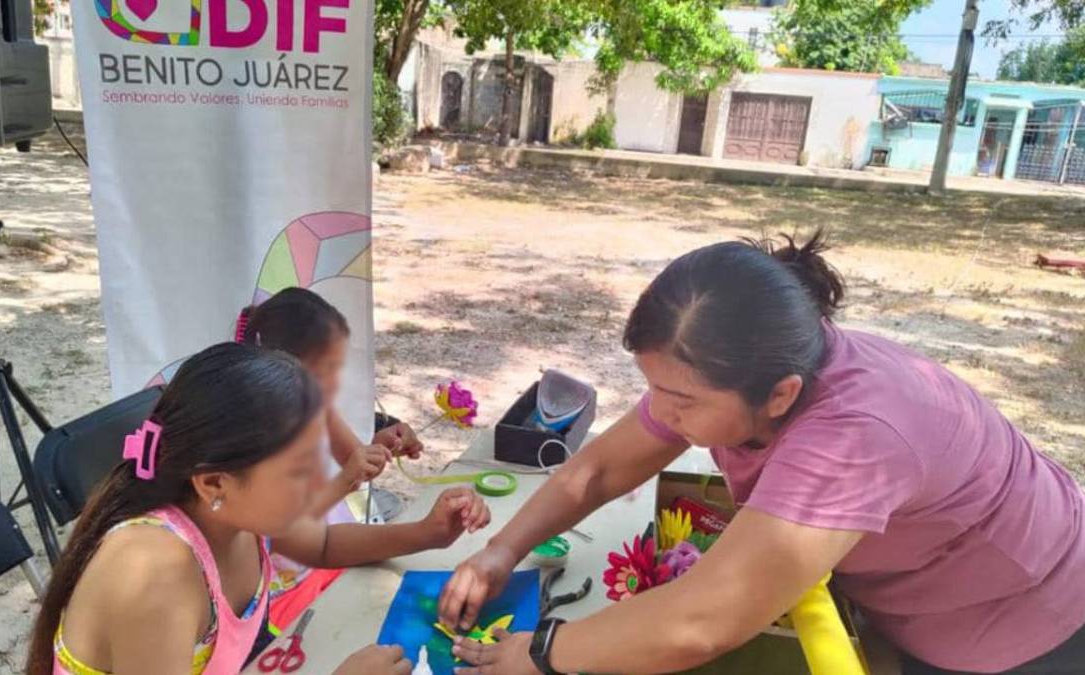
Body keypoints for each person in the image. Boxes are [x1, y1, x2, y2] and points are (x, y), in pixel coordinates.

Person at [439, 232, 1085, 675]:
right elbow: (601, 466)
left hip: (1027, 621)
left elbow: (703, 619)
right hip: (929, 590)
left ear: (781, 394)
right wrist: (502, 549)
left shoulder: (854, 435)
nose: (661, 415)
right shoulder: (751, 363)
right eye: (652, 387)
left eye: (681, 399)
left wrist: (546, 650)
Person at [26, 343, 486, 675]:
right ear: (214, 482)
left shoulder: (234, 513)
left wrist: (429, 533)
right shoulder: (153, 572)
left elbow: (322, 543)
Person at [236, 288, 466, 649]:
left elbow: (355, 461)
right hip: (286, 599)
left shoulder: (314, 404)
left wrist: (380, 446)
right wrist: (345, 480)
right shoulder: (248, 442)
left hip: (331, 558)